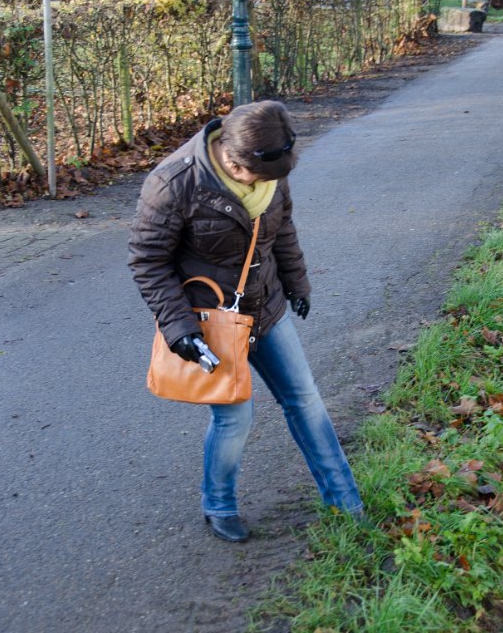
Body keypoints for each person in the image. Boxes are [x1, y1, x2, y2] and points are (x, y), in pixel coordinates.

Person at [128, 100, 364, 542]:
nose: (268, 184)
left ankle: (347, 503)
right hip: (211, 321)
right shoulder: (173, 183)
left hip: (266, 306)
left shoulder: (272, 167)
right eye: (258, 177)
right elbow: (148, 262)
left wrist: (296, 283)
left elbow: (283, 229)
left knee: (306, 401)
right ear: (234, 163)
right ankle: (218, 505)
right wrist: (179, 329)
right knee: (235, 418)